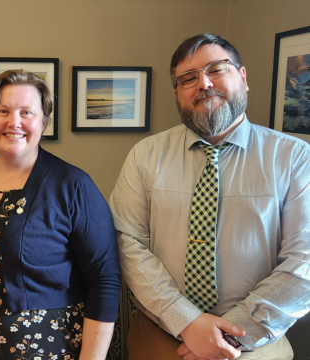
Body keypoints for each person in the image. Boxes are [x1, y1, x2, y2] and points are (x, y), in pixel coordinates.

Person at [110, 33, 310, 360]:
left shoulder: (295, 159)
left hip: (257, 345)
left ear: (243, 78)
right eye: (188, 78)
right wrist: (187, 323)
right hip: (160, 341)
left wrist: (229, 335)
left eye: (217, 69)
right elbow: (127, 242)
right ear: (177, 92)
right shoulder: (144, 156)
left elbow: (305, 263)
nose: (203, 83)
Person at [0, 69, 121, 360]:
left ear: (44, 122)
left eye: (27, 112)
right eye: (3, 110)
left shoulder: (73, 185)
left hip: (42, 350)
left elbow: (105, 279)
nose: (14, 122)